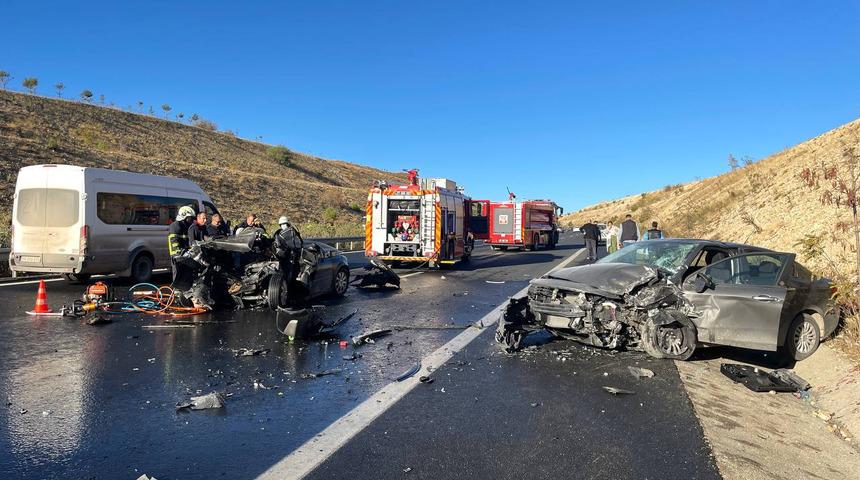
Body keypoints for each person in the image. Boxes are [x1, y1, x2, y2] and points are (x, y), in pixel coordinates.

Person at [274, 215, 304, 284]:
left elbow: (297, 244)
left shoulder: (284, 233)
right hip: (285, 256)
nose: (283, 225)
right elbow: (298, 244)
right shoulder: (289, 232)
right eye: (282, 224)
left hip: (286, 256)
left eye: (284, 224)